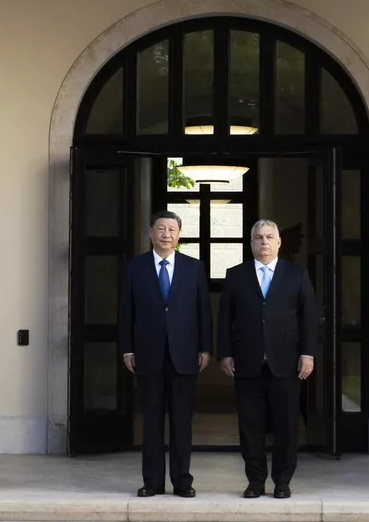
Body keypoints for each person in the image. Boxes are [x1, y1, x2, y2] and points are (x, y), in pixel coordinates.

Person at [219, 220, 319, 499]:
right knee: (250, 426)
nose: (263, 242)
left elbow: (308, 319)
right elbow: (225, 318)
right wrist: (225, 353)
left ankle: (282, 481)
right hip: (246, 362)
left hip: (286, 364)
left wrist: (308, 354)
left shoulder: (296, 274)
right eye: (258, 237)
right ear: (251, 243)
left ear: (278, 243)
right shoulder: (236, 275)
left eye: (269, 237)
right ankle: (255, 481)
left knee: (287, 426)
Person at [117, 211, 210, 498]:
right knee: (152, 422)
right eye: (161, 229)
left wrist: (205, 348)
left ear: (179, 235)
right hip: (148, 355)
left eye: (172, 229)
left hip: (184, 356)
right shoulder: (136, 267)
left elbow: (203, 312)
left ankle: (183, 481)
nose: (166, 234)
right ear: (150, 233)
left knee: (182, 423)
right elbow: (125, 312)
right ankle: (152, 482)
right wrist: (127, 348)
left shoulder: (194, 268)